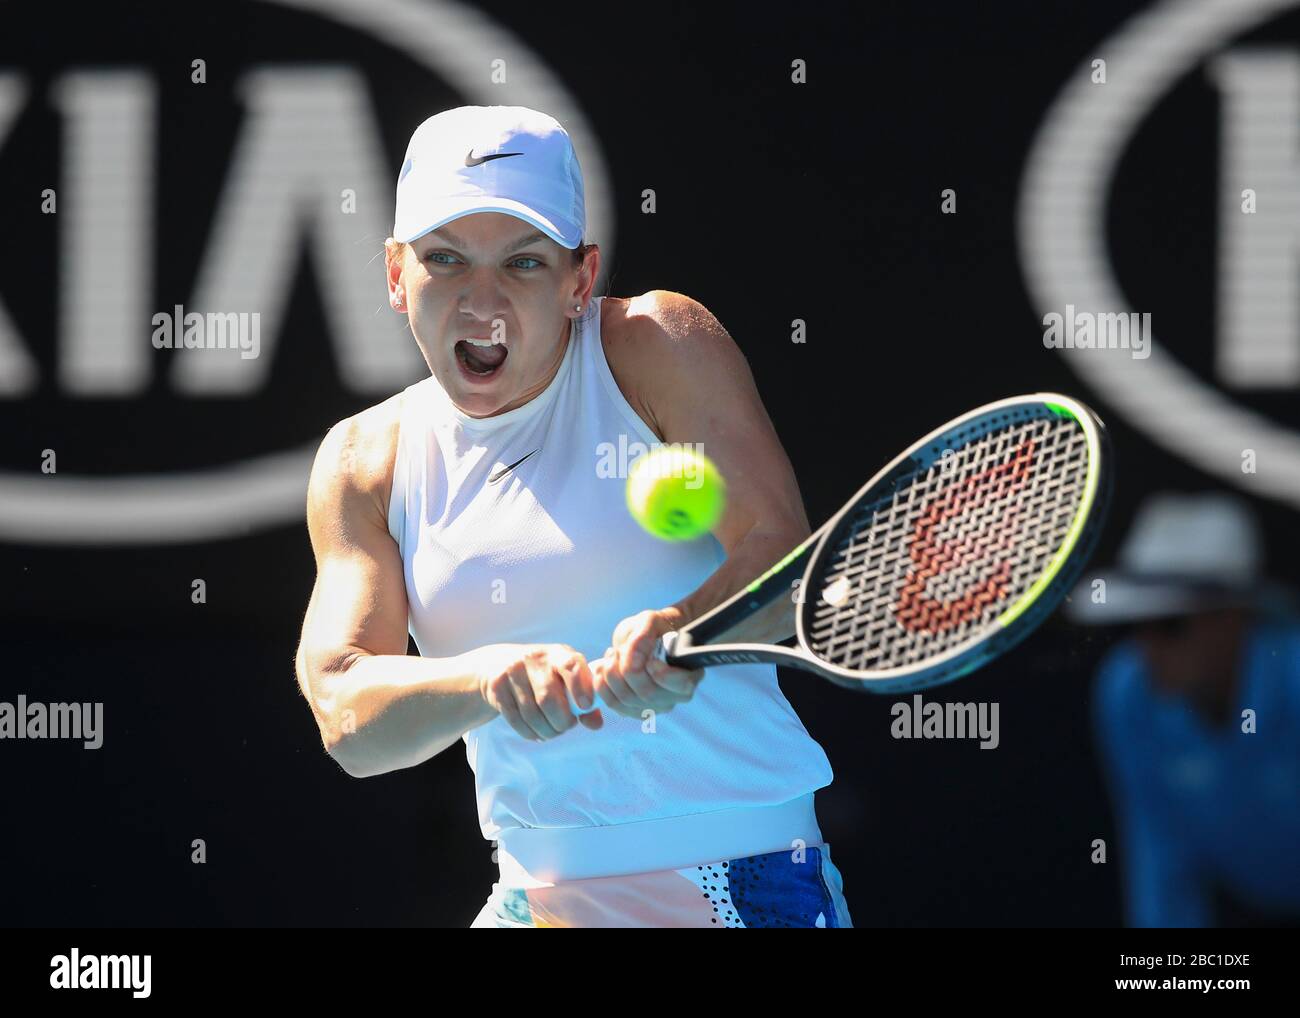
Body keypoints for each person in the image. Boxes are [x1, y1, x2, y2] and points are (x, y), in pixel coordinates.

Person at [292, 106, 851, 927]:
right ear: (395, 273)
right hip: (534, 901)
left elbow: (784, 562)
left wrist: (687, 627)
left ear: (579, 280)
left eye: (523, 263)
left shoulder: (657, 343)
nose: (482, 302)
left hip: (744, 883)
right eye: (445, 259)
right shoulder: (363, 462)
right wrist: (488, 678)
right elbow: (347, 717)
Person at [1067, 492, 1300, 927]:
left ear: (1232, 616)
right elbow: (1159, 859)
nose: (1148, 646)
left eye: (1171, 624)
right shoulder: (1126, 692)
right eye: (1137, 624)